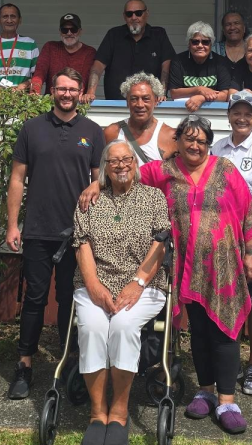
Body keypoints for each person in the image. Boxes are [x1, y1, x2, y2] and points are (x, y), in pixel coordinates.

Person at [135, 115, 252, 434]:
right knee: (201, 331)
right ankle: (205, 390)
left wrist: (251, 251)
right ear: (177, 141)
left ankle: (228, 400)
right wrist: (97, 184)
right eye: (188, 139)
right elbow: (123, 175)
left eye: (201, 140)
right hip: (186, 267)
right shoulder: (163, 171)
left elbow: (248, 211)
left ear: (209, 143)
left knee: (225, 331)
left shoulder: (226, 169)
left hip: (224, 267)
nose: (195, 145)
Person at [6, 67, 106, 400]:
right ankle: (24, 365)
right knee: (34, 300)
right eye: (60, 89)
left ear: (80, 93)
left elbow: (99, 179)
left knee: (69, 300)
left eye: (72, 89)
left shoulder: (92, 131)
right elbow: (18, 179)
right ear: (52, 91)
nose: (66, 94)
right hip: (37, 229)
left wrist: (96, 185)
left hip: (76, 234)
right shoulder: (32, 129)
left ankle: (69, 367)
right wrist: (11, 225)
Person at [72, 140, 171, 445]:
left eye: (126, 159)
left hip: (145, 285)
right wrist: (94, 286)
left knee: (124, 326)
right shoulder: (90, 200)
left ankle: (119, 412)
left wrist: (138, 282)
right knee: (93, 328)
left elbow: (160, 242)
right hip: (95, 284)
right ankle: (97, 413)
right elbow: (82, 243)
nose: (121, 166)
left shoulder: (153, 197)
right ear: (104, 167)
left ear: (135, 162)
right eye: (113, 161)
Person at [209, 91, 252, 397]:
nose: (242, 118)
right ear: (228, 116)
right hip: (223, 239)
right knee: (226, 299)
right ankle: (230, 360)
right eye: (236, 113)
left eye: (248, 114)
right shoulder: (216, 148)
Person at [86, 0, 175, 102]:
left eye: (138, 13)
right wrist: (90, 92)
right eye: (129, 14)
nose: (134, 17)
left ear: (147, 14)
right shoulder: (113, 35)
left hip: (150, 104)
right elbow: (98, 67)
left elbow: (166, 66)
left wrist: (162, 92)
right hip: (116, 104)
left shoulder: (159, 35)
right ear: (124, 16)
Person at [102, 72, 177, 166]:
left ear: (156, 101)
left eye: (146, 98)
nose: (140, 105)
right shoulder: (112, 133)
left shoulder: (170, 136)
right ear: (127, 102)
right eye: (134, 99)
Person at [168, 21, 235, 112]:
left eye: (205, 42)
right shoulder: (178, 61)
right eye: (195, 42)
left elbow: (224, 95)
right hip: (183, 111)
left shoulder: (221, 63)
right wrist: (199, 89)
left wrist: (202, 98)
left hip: (214, 113)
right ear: (189, 43)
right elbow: (174, 93)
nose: (200, 45)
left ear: (211, 44)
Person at [30, 13, 97, 95]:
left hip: (78, 102)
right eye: (64, 30)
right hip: (51, 103)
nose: (69, 33)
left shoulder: (89, 52)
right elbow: (40, 73)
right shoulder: (50, 47)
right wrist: (34, 92)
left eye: (73, 29)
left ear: (80, 31)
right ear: (60, 32)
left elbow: (85, 78)